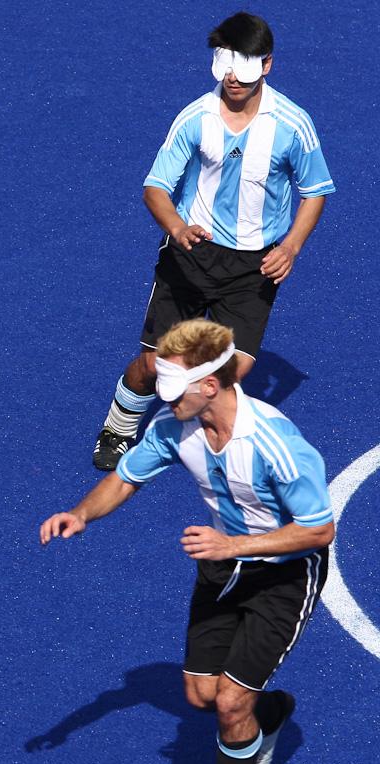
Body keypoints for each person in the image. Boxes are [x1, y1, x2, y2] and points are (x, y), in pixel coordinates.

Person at [42, 319, 334, 764]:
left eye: (170, 388)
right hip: (222, 568)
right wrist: (82, 513)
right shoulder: (174, 426)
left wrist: (231, 547)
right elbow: (124, 477)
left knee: (228, 703)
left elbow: (318, 529)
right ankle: (268, 714)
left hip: (285, 574)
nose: (161, 397)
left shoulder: (275, 442)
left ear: (208, 385)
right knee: (202, 695)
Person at [92, 12, 334, 471]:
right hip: (191, 256)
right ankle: (119, 428)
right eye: (224, 61)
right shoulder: (195, 118)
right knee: (155, 366)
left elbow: (315, 190)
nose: (231, 74)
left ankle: (175, 435)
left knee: (231, 373)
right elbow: (155, 187)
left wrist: (291, 247)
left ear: (266, 65)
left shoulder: (292, 124)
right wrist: (177, 229)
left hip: (254, 267)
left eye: (243, 63)